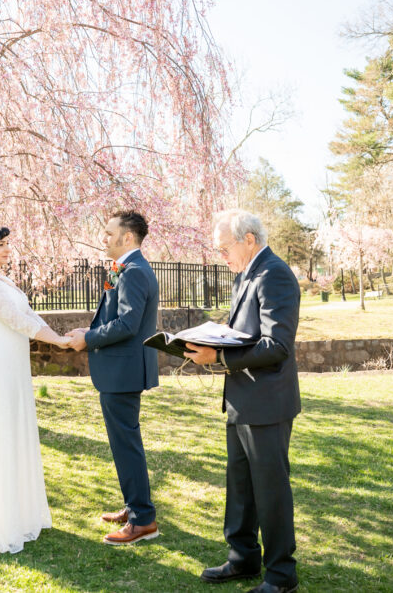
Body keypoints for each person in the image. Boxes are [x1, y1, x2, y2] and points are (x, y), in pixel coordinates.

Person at [184, 209, 301, 593]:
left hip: (267, 403)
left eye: (224, 248)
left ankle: (281, 575)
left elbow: (277, 345)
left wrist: (219, 357)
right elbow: (246, 334)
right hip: (241, 399)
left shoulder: (275, 274)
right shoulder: (246, 275)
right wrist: (215, 339)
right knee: (241, 486)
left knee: (270, 489)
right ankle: (243, 558)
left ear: (248, 239)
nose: (223, 257)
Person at [0, 222, 73, 557]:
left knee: (15, 433)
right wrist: (61, 342)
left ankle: (19, 513)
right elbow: (18, 320)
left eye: (7, 243)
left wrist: (58, 335)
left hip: (13, 367)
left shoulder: (1, 279)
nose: (6, 249)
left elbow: (29, 313)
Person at [67, 210, 160, 545]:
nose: (103, 239)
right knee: (125, 445)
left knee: (127, 446)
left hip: (123, 372)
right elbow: (114, 317)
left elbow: (127, 325)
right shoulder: (126, 268)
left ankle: (142, 520)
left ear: (128, 237)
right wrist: (88, 330)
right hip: (122, 370)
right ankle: (135, 508)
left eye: (109, 233)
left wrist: (88, 340)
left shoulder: (134, 271)